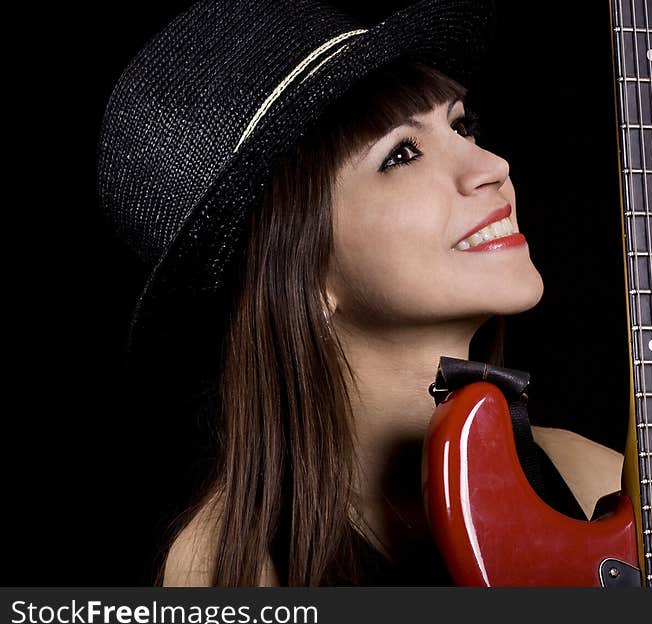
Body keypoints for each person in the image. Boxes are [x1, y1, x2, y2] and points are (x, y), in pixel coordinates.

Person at [97, 0, 623, 587]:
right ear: (302, 272)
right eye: (400, 154)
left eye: (461, 125)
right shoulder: (231, 570)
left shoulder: (598, 481)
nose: (492, 166)